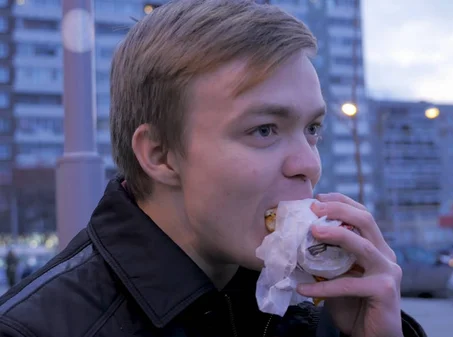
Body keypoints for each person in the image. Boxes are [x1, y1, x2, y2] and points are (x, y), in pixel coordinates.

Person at [0, 1, 426, 336]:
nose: (308, 165)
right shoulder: (34, 328)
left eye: (312, 128)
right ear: (161, 155)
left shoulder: (314, 307)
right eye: (264, 130)